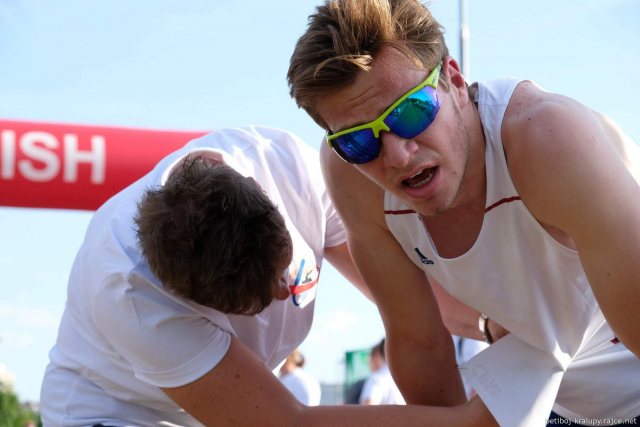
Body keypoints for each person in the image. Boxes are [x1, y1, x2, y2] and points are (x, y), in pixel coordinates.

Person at [287, 1, 640, 426]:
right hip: (556, 403)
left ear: (453, 80)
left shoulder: (547, 137)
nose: (397, 156)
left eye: (411, 112)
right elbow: (419, 344)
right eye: (358, 141)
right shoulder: (350, 176)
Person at [39, 126, 494, 427]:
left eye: (281, 271)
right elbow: (288, 422)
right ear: (183, 294)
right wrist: (471, 421)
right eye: (251, 304)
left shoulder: (291, 169)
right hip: (120, 412)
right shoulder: (130, 291)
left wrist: (493, 326)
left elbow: (411, 302)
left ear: (263, 192)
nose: (284, 294)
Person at [359, 339, 405, 405]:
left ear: (377, 354)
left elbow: (367, 407)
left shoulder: (376, 378)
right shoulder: (406, 377)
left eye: (369, 358)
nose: (369, 363)